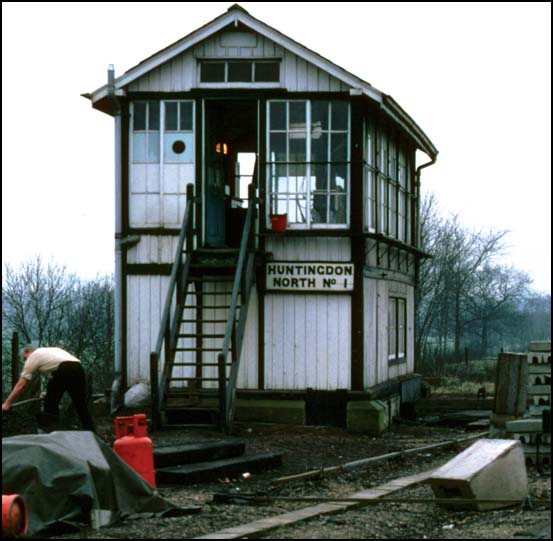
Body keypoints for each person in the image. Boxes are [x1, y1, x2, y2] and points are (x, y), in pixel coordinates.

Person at [2, 345, 96, 433]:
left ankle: (51, 434)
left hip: (64, 369)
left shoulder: (33, 356)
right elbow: (57, 380)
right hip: (78, 369)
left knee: (50, 405)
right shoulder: (51, 352)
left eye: (25, 358)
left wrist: (7, 403)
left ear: (28, 351)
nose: (25, 361)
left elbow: (21, 384)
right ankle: (92, 433)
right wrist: (49, 393)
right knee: (81, 405)